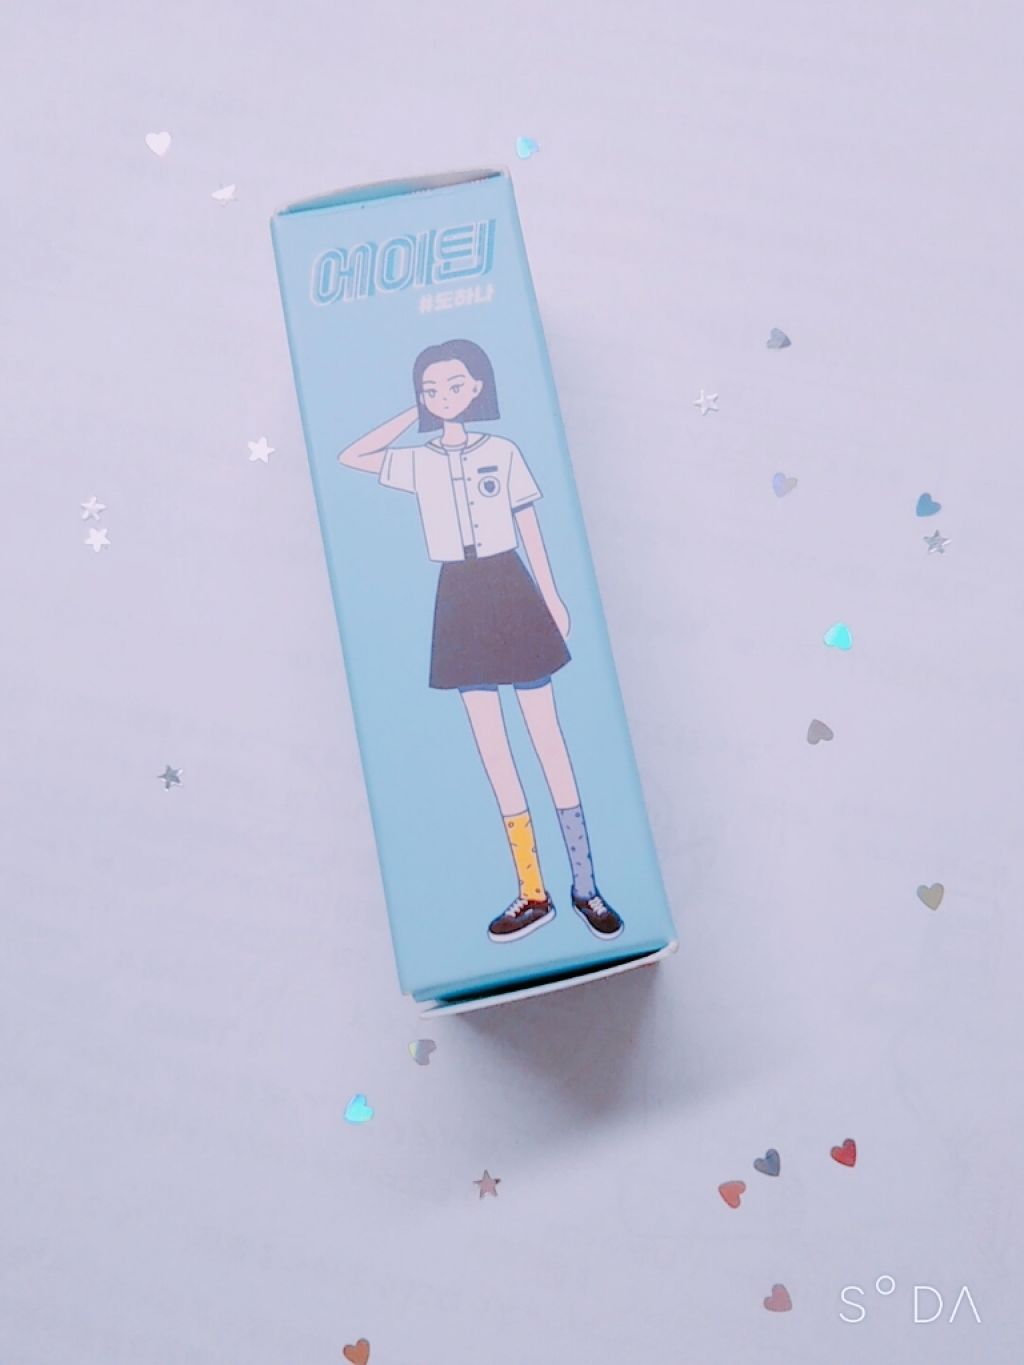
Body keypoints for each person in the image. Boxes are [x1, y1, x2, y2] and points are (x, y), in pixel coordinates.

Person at [337, 338, 624, 945]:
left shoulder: (503, 450)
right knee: (494, 748)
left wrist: (552, 595)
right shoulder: (417, 461)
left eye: (454, 385)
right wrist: (411, 415)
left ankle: (586, 886)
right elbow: (353, 455)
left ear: (477, 387)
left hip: (512, 585)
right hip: (458, 596)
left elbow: (528, 521)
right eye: (430, 389)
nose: (442, 397)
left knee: (548, 738)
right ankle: (533, 892)